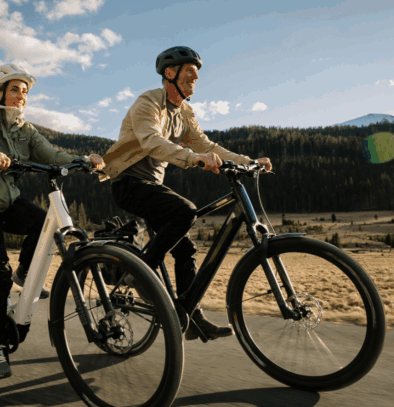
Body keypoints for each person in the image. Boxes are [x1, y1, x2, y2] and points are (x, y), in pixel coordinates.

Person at [100, 46, 272, 341]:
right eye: (190, 70)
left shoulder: (185, 112)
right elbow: (151, 140)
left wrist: (248, 162)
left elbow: (207, 145)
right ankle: (140, 272)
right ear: (170, 73)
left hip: (152, 187)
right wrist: (192, 158)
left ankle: (192, 316)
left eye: (197, 71)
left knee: (186, 248)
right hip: (128, 183)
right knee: (186, 211)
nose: (196, 76)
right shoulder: (148, 103)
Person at [0, 63, 105, 381]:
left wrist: (82, 161)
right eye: (15, 90)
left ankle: (26, 272)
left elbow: (49, 153)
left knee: (42, 223)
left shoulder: (24, 128)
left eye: (25, 91)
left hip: (6, 203)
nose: (21, 96)